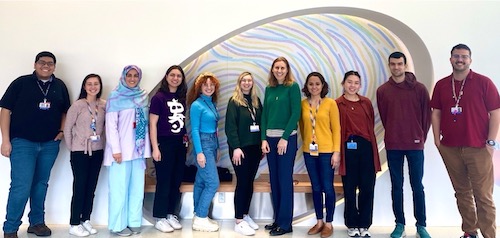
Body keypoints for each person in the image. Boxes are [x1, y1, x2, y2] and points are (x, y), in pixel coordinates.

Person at [430, 44, 500, 238]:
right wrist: (437, 140)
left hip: (478, 147)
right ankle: (470, 231)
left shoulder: (484, 82)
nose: (460, 59)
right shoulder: (442, 85)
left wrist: (491, 143)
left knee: (483, 196)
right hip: (450, 147)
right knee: (462, 193)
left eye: (464, 56)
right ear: (450, 59)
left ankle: (489, 235)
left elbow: (495, 113)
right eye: (456, 56)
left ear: (470, 60)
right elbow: (436, 113)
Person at [1, 51, 70, 238]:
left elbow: (65, 111)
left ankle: (37, 223)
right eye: (42, 62)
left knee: (40, 184)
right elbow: (5, 110)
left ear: (54, 66)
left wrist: (62, 131)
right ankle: (10, 228)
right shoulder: (20, 83)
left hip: (49, 144)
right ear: (35, 64)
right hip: (22, 143)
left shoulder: (59, 86)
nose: (46, 65)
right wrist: (5, 140)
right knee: (21, 185)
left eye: (50, 63)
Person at [376, 52, 432, 238]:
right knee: (396, 186)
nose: (396, 67)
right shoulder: (383, 91)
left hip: (415, 145)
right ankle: (399, 224)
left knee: (417, 185)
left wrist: (419, 137)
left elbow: (427, 117)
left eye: (400, 64)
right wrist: (394, 133)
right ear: (389, 66)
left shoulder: (420, 89)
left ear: (405, 65)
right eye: (393, 64)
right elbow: (385, 117)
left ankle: (421, 225)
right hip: (393, 145)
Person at [104, 65, 151, 236]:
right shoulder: (114, 97)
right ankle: (117, 225)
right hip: (120, 152)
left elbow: (145, 125)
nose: (132, 78)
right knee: (119, 190)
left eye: (135, 76)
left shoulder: (143, 96)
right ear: (123, 77)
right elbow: (111, 126)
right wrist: (116, 149)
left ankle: (134, 221)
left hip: (138, 152)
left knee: (137, 188)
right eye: (129, 75)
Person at [336, 71, 381, 237]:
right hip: (348, 148)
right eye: (349, 82)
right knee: (349, 187)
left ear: (360, 85)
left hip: (366, 148)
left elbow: (370, 125)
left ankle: (365, 224)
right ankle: (351, 224)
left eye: (356, 83)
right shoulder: (337, 104)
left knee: (367, 187)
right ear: (343, 83)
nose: (352, 85)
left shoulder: (366, 103)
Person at [261, 56, 301, 236]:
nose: (279, 70)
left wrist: (285, 137)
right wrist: (263, 139)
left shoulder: (292, 87)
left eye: (282, 68)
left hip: (287, 140)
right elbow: (264, 115)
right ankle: (278, 219)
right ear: (272, 70)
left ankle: (285, 224)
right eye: (276, 67)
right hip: (270, 140)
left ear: (287, 70)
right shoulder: (269, 89)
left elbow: (296, 113)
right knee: (275, 180)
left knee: (285, 180)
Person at [298, 72, 340, 238]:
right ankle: (319, 221)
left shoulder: (331, 104)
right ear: (307, 86)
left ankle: (329, 223)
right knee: (315, 187)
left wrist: (336, 152)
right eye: (311, 84)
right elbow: (302, 128)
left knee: (328, 187)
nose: (314, 87)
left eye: (317, 84)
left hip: (327, 152)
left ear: (323, 86)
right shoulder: (302, 104)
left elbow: (336, 129)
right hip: (309, 152)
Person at [64, 74, 106, 237]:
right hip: (80, 152)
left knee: (91, 187)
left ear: (100, 86)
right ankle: (74, 223)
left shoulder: (103, 105)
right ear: (84, 86)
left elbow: (106, 128)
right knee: (80, 186)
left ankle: (85, 219)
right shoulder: (78, 105)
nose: (93, 87)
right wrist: (73, 147)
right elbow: (67, 128)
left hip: (97, 151)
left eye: (96, 84)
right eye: (89, 84)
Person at [149, 65, 188, 233]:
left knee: (176, 180)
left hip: (179, 144)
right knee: (164, 181)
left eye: (179, 76)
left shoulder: (181, 97)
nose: (175, 78)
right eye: (172, 75)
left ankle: (171, 213)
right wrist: (155, 148)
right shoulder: (158, 98)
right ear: (166, 77)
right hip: (163, 144)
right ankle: (160, 216)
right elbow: (153, 124)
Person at [225, 72, 263, 236]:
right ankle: (238, 220)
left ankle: (246, 215)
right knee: (242, 182)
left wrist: (262, 145)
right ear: (239, 83)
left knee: (249, 182)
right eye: (244, 80)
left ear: (252, 83)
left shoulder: (256, 101)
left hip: (255, 148)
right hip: (240, 149)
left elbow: (261, 123)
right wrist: (236, 147)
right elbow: (230, 127)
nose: (247, 83)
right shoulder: (234, 102)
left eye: (249, 80)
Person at [187, 72, 221, 232]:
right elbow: (194, 130)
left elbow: (215, 129)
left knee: (201, 181)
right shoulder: (197, 105)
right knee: (213, 182)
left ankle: (198, 215)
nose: (209, 87)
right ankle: (201, 217)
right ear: (199, 87)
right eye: (205, 84)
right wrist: (199, 152)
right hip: (203, 144)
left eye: (211, 85)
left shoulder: (212, 103)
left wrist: (218, 147)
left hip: (212, 144)